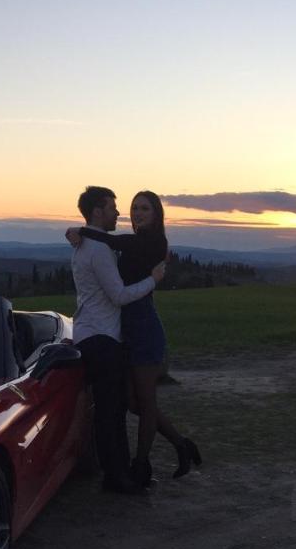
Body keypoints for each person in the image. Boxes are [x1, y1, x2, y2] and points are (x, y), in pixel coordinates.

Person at [66, 190, 201, 482]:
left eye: (145, 209)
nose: (137, 213)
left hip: (143, 329)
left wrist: (82, 231)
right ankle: (181, 444)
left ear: (157, 214)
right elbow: (113, 243)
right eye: (134, 208)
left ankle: (141, 466)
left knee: (145, 401)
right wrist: (77, 231)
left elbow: (112, 242)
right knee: (134, 402)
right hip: (124, 328)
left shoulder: (154, 242)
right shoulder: (132, 240)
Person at [71, 186, 167, 494]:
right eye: (113, 207)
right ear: (98, 211)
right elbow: (120, 295)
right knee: (110, 412)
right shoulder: (97, 249)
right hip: (101, 337)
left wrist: (76, 230)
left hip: (97, 332)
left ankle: (122, 469)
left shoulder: (88, 243)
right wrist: (153, 280)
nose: (119, 212)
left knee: (116, 407)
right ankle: (116, 477)